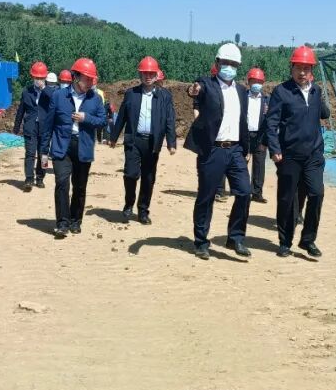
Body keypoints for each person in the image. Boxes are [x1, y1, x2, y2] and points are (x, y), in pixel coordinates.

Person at [185, 43, 252, 260]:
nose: (229, 67)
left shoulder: (241, 91)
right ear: (217, 63)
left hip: (235, 149)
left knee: (244, 192)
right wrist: (193, 90)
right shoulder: (207, 84)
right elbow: (196, 89)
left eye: (233, 64)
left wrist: (247, 148)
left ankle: (235, 237)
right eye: (225, 63)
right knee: (206, 196)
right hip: (213, 150)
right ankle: (201, 242)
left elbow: (243, 121)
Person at [265, 45, 329, 258]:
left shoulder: (316, 91)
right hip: (289, 155)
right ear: (291, 68)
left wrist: (320, 96)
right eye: (298, 68)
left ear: (312, 70)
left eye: (306, 68)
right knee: (287, 199)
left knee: (317, 193)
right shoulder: (281, 92)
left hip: (313, 155)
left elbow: (324, 114)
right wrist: (274, 148)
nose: (302, 72)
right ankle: (285, 242)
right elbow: (271, 122)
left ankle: (308, 240)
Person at [42, 58, 107, 238]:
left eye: (92, 79)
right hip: (62, 146)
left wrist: (86, 118)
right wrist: (44, 151)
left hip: (83, 146)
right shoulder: (58, 96)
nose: (90, 82)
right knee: (62, 183)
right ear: (76, 77)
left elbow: (103, 121)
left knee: (79, 186)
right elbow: (48, 125)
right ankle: (62, 223)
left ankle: (75, 220)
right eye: (87, 78)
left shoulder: (95, 99)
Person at [110, 56, 177, 224]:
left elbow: (170, 120)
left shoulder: (165, 96)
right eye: (145, 73)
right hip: (134, 140)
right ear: (140, 74)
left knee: (148, 177)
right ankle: (129, 204)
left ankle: (143, 210)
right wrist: (113, 137)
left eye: (151, 73)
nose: (148, 76)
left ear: (156, 75)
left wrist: (171, 142)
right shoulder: (131, 94)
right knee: (130, 174)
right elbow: (122, 117)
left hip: (153, 143)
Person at [13, 61, 53, 191]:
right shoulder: (27, 92)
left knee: (44, 155)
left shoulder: (51, 92)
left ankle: (40, 178)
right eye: (37, 78)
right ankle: (29, 179)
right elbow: (21, 110)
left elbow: (55, 101)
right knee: (30, 153)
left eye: (41, 78)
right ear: (32, 77)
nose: (39, 80)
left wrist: (44, 89)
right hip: (30, 127)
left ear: (45, 78)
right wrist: (17, 126)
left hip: (45, 128)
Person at [244, 68, 270, 203]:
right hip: (245, 135)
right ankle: (242, 190)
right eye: (254, 81)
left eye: (259, 82)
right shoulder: (242, 97)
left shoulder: (267, 100)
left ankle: (256, 193)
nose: (256, 84)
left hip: (260, 136)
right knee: (242, 163)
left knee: (259, 165)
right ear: (248, 82)